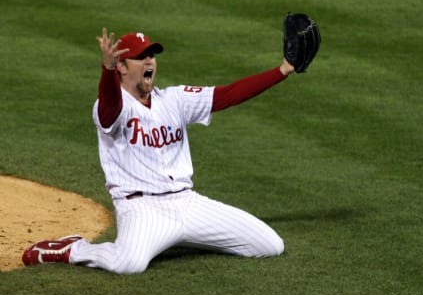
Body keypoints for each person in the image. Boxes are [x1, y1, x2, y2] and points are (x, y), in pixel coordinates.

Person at [22, 27, 298, 275]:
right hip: (141, 208)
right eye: (141, 56)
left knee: (270, 245)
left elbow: (228, 94)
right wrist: (106, 71)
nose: (149, 61)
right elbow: (109, 109)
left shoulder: (174, 99)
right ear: (122, 67)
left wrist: (283, 69)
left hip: (187, 203)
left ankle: (186, 237)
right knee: (129, 264)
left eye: (152, 55)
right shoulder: (113, 107)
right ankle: (74, 250)